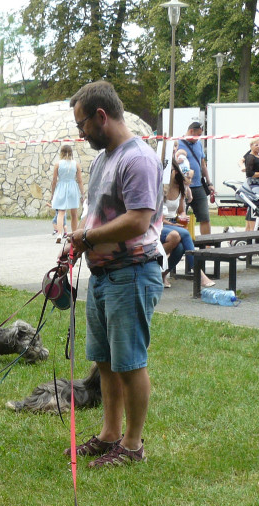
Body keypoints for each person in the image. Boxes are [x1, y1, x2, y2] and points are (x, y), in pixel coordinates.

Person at [64, 80, 163, 469]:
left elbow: (138, 221)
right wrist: (79, 241)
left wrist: (87, 237)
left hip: (132, 273)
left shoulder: (137, 159)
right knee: (104, 361)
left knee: (130, 362)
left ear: (101, 116)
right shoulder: (103, 160)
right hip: (103, 276)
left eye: (83, 124)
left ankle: (133, 444)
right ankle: (109, 434)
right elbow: (97, 214)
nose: (81, 134)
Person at [160, 155, 212, 289]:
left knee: (180, 248)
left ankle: (162, 275)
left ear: (176, 171)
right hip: (161, 224)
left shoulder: (180, 187)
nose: (166, 173)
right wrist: (173, 224)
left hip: (174, 223)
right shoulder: (159, 187)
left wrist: (182, 216)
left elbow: (181, 211)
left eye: (170, 170)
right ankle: (199, 273)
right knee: (183, 234)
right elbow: (157, 217)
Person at [179, 122, 216, 236]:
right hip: (183, 187)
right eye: (198, 135)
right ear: (191, 131)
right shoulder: (178, 144)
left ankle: (207, 243)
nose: (199, 138)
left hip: (198, 186)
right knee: (181, 218)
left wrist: (209, 183)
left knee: (205, 217)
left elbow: (203, 165)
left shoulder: (198, 144)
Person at [50, 143, 83, 238]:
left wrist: (52, 194)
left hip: (61, 187)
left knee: (61, 212)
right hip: (73, 187)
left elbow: (54, 180)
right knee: (74, 213)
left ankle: (59, 234)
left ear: (61, 153)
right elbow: (80, 180)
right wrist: (82, 194)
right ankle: (74, 235)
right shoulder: (76, 164)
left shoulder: (58, 164)